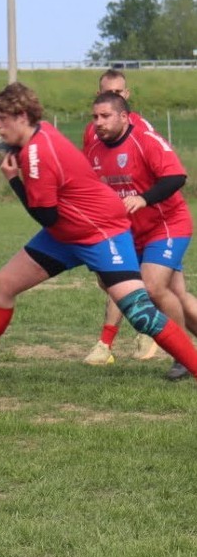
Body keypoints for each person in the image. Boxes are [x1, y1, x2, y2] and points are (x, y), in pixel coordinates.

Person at [0, 82, 197, 388]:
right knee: (3, 284)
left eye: (2, 119)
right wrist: (4, 144)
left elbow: (44, 215)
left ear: (20, 116)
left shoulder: (36, 154)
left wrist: (12, 179)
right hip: (66, 231)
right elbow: (52, 214)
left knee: (141, 313)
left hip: (100, 232)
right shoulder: (39, 130)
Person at [85, 91, 197, 381]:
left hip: (167, 224)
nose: (98, 122)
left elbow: (176, 177)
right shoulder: (94, 148)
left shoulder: (144, 139)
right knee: (179, 298)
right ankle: (187, 352)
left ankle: (182, 355)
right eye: (95, 116)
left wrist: (144, 199)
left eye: (105, 116)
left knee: (152, 287)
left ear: (124, 116)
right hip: (130, 234)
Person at [81, 69, 161, 365]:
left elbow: (163, 172)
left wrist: (143, 200)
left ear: (126, 96)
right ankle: (143, 330)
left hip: (149, 220)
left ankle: (111, 342)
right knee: (111, 280)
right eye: (107, 93)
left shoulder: (142, 129)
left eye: (118, 93)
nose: (113, 97)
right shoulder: (93, 131)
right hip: (112, 220)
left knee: (145, 284)